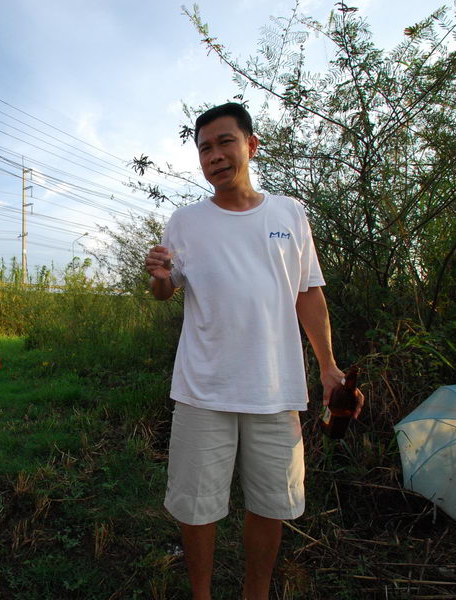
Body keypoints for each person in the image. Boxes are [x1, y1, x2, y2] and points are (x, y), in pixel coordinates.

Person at [144, 102, 364, 600]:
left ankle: (255, 593)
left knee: (271, 503)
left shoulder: (289, 212)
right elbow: (166, 291)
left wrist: (328, 367)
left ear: (250, 145)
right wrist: (158, 279)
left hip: (275, 388)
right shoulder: (185, 221)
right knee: (196, 505)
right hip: (204, 389)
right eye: (204, 148)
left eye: (224, 142)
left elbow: (308, 294)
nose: (214, 155)